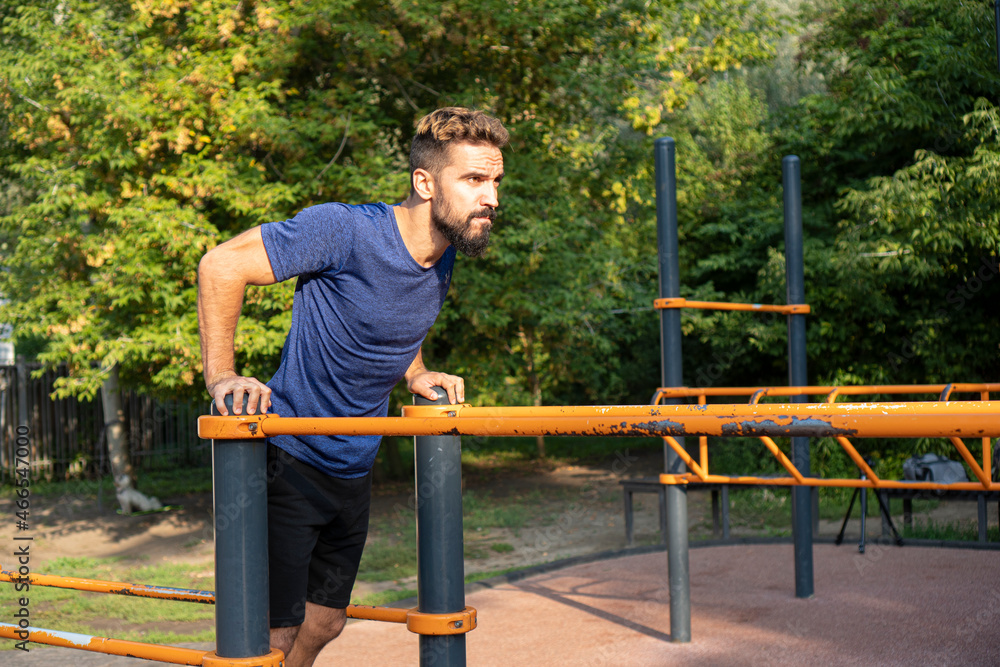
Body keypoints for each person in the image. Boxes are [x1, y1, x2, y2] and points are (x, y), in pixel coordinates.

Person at [196, 107, 509, 666]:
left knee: (326, 621)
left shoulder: (443, 254)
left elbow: (393, 316)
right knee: (272, 636)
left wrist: (415, 372)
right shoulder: (345, 230)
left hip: (352, 468)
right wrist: (222, 375)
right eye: (474, 180)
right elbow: (221, 266)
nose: (490, 197)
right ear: (425, 182)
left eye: (495, 181)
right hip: (289, 460)